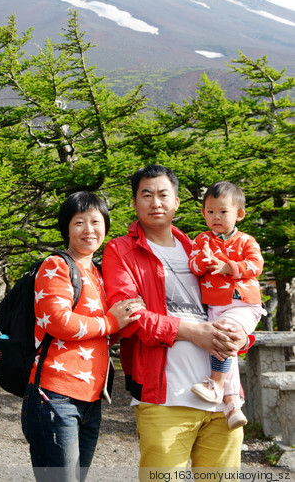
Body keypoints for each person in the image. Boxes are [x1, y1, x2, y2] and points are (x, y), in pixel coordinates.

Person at [102, 165, 251, 479]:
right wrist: (194, 332)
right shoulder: (121, 250)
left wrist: (240, 336)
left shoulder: (200, 246)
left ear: (177, 202)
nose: (156, 202)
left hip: (225, 401)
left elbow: (236, 301)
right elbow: (131, 319)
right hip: (164, 400)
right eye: (146, 195)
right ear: (134, 203)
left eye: (163, 194)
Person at [21, 191, 143, 482]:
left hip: (90, 399)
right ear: (66, 228)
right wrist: (112, 321)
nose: (89, 230)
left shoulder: (99, 273)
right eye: (79, 222)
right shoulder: (57, 266)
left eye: (95, 221)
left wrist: (121, 323)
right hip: (54, 397)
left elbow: (100, 334)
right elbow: (59, 322)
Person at [189, 181, 264, 429]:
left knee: (225, 333)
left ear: (239, 214)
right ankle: (232, 406)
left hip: (243, 303)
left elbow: (256, 266)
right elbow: (194, 267)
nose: (216, 217)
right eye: (210, 212)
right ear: (204, 213)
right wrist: (203, 259)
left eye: (223, 211)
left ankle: (216, 384)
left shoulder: (246, 241)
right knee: (224, 345)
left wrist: (227, 267)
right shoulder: (201, 240)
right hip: (215, 307)